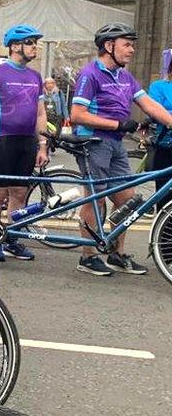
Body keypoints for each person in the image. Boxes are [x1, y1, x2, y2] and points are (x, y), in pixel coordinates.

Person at [70, 23, 172, 276]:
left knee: (128, 200)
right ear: (108, 46)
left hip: (115, 143)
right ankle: (88, 256)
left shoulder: (125, 76)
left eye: (132, 45)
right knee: (97, 197)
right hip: (92, 142)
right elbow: (77, 114)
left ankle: (116, 253)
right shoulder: (90, 74)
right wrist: (117, 123)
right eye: (127, 44)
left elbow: (149, 105)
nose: (132, 50)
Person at [0, 24, 48, 262]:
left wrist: (42, 144)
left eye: (35, 43)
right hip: (2, 139)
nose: (35, 47)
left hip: (27, 142)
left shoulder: (35, 76)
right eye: (30, 42)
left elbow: (41, 113)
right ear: (15, 46)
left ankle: (11, 239)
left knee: (20, 193)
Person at [148, 54, 172, 211]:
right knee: (164, 195)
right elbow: (155, 111)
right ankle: (163, 235)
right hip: (166, 146)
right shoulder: (158, 87)